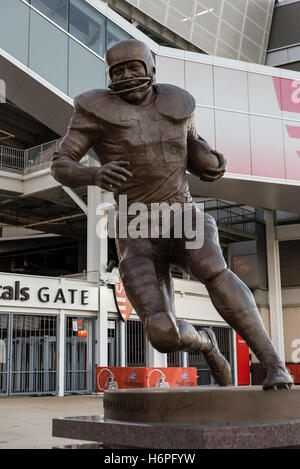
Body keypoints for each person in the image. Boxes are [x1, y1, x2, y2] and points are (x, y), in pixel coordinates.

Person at [51, 39, 293, 390]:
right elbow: (62, 163)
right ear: (108, 76)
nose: (127, 75)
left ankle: (273, 364)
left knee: (213, 267)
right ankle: (206, 343)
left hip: (182, 213)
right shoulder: (93, 110)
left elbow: (195, 150)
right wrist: (94, 174)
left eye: (134, 66)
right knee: (163, 333)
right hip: (135, 225)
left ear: (150, 69)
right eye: (118, 70)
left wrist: (210, 160)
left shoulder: (177, 103)